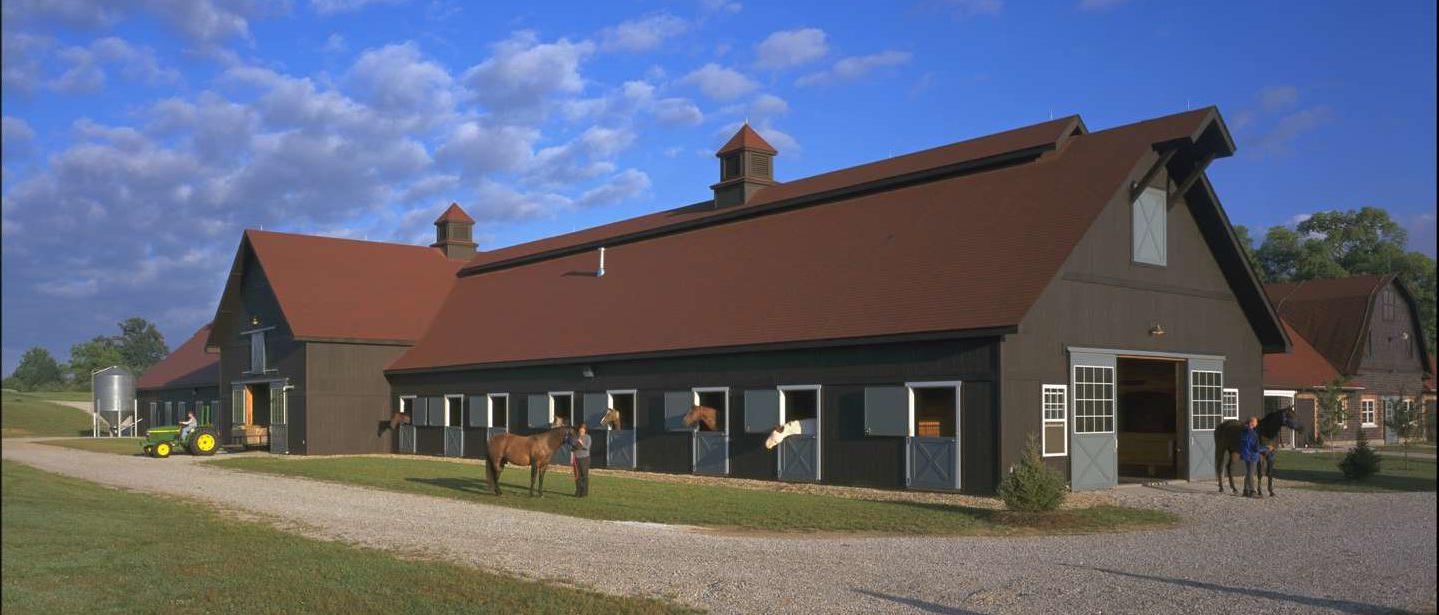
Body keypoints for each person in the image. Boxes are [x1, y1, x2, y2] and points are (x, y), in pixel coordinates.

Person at [1240, 416, 1270, 498]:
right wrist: (1267, 448)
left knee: (1248, 472)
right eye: (1256, 422)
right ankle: (1252, 491)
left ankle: (1245, 490)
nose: (1257, 423)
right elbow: (1256, 448)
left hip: (1246, 455)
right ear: (1252, 423)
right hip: (1252, 456)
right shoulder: (1253, 434)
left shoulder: (1243, 432)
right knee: (1251, 473)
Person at [569, 423, 592, 498]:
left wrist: (581, 443)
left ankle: (584, 492)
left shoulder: (588, 437)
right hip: (576, 458)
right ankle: (578, 491)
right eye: (580, 429)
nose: (581, 431)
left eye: (583, 429)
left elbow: (587, 447)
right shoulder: (576, 437)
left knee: (584, 475)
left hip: (584, 458)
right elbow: (573, 447)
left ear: (585, 430)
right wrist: (573, 447)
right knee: (577, 476)